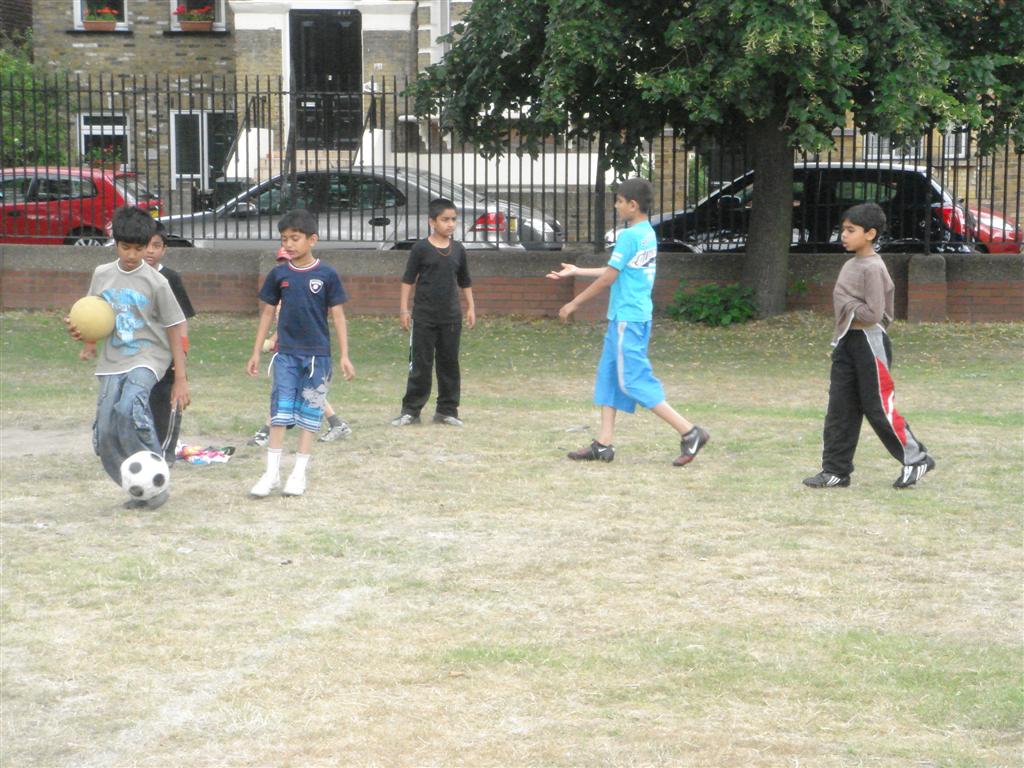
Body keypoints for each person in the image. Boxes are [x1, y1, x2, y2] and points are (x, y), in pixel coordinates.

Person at [547, 178, 709, 466]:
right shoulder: (646, 233)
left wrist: (574, 303)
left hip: (628, 319)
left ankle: (690, 431)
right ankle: (603, 445)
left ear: (633, 205)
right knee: (609, 378)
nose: (616, 205)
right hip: (631, 317)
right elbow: (616, 269)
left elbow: (610, 277)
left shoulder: (629, 236)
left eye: (620, 201)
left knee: (632, 381)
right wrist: (577, 270)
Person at [803, 202, 935, 489]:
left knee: (878, 408)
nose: (844, 235)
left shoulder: (873, 267)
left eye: (851, 230)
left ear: (870, 233)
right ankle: (835, 470)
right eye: (843, 229)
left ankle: (916, 459)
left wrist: (847, 305)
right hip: (848, 342)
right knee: (840, 409)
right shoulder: (852, 264)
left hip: (868, 343)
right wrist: (848, 312)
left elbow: (874, 314)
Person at [65, 206, 190, 509]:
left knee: (129, 407)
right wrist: (87, 339)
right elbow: (95, 313)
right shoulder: (102, 274)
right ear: (115, 243)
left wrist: (181, 378)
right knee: (106, 428)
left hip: (149, 357)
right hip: (112, 359)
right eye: (125, 247)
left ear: (149, 244)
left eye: (139, 248)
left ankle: (156, 475)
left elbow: (175, 327)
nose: (132, 255)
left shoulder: (157, 282)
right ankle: (138, 487)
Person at [246, 209, 355, 497]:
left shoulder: (327, 274)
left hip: (317, 357)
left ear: (312, 239)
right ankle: (270, 475)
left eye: (295, 238)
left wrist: (344, 355)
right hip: (286, 355)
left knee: (309, 416)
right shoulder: (279, 274)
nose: (289, 245)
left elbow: (339, 316)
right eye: (285, 239)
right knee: (280, 414)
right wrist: (257, 351)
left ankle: (298, 474)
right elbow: (268, 313)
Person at [249, 248, 352, 446]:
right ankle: (335, 423)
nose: (283, 264)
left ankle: (266, 431)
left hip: (311, 350)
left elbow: (309, 318)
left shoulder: (319, 277)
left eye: (285, 260)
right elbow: (284, 322)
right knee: (290, 391)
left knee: (300, 392)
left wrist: (272, 341)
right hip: (289, 349)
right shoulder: (281, 285)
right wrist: (270, 341)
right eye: (280, 261)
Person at [390, 197, 476, 427]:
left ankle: (447, 410)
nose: (450, 224)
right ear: (432, 222)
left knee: (449, 364)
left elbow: (465, 281)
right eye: (444, 220)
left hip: (450, 317)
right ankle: (411, 410)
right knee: (420, 364)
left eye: (453, 220)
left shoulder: (458, 250)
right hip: (424, 317)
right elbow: (408, 280)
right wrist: (404, 309)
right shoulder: (421, 249)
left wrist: (470, 308)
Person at [143, 222, 196, 463]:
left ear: (164, 249)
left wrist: (181, 355)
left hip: (167, 356)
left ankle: (166, 454)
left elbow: (181, 320)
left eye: (156, 246)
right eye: (145, 245)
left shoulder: (170, 278)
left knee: (167, 404)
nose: (150, 251)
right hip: (140, 354)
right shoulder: (130, 277)